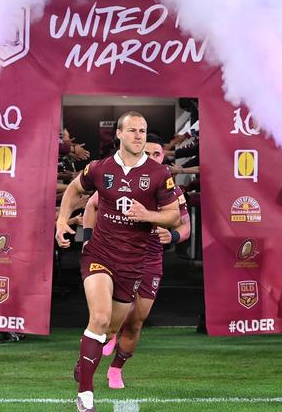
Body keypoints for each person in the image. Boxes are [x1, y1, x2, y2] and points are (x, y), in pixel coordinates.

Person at [55, 111, 181, 412]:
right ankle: (85, 397)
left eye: (143, 130)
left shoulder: (160, 174)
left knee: (110, 331)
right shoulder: (99, 168)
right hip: (100, 254)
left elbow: (174, 216)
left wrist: (147, 215)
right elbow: (75, 189)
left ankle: (85, 362)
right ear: (120, 135)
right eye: (134, 130)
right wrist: (62, 222)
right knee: (98, 318)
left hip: (133, 263)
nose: (139, 136)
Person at [83, 133, 191, 389]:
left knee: (137, 321)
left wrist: (173, 235)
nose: (152, 158)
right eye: (149, 153)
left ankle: (116, 369)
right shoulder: (124, 180)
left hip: (150, 258)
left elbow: (185, 226)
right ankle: (91, 355)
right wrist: (87, 239)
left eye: (157, 154)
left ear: (163, 157)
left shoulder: (171, 189)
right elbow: (91, 205)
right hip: (116, 253)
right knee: (105, 321)